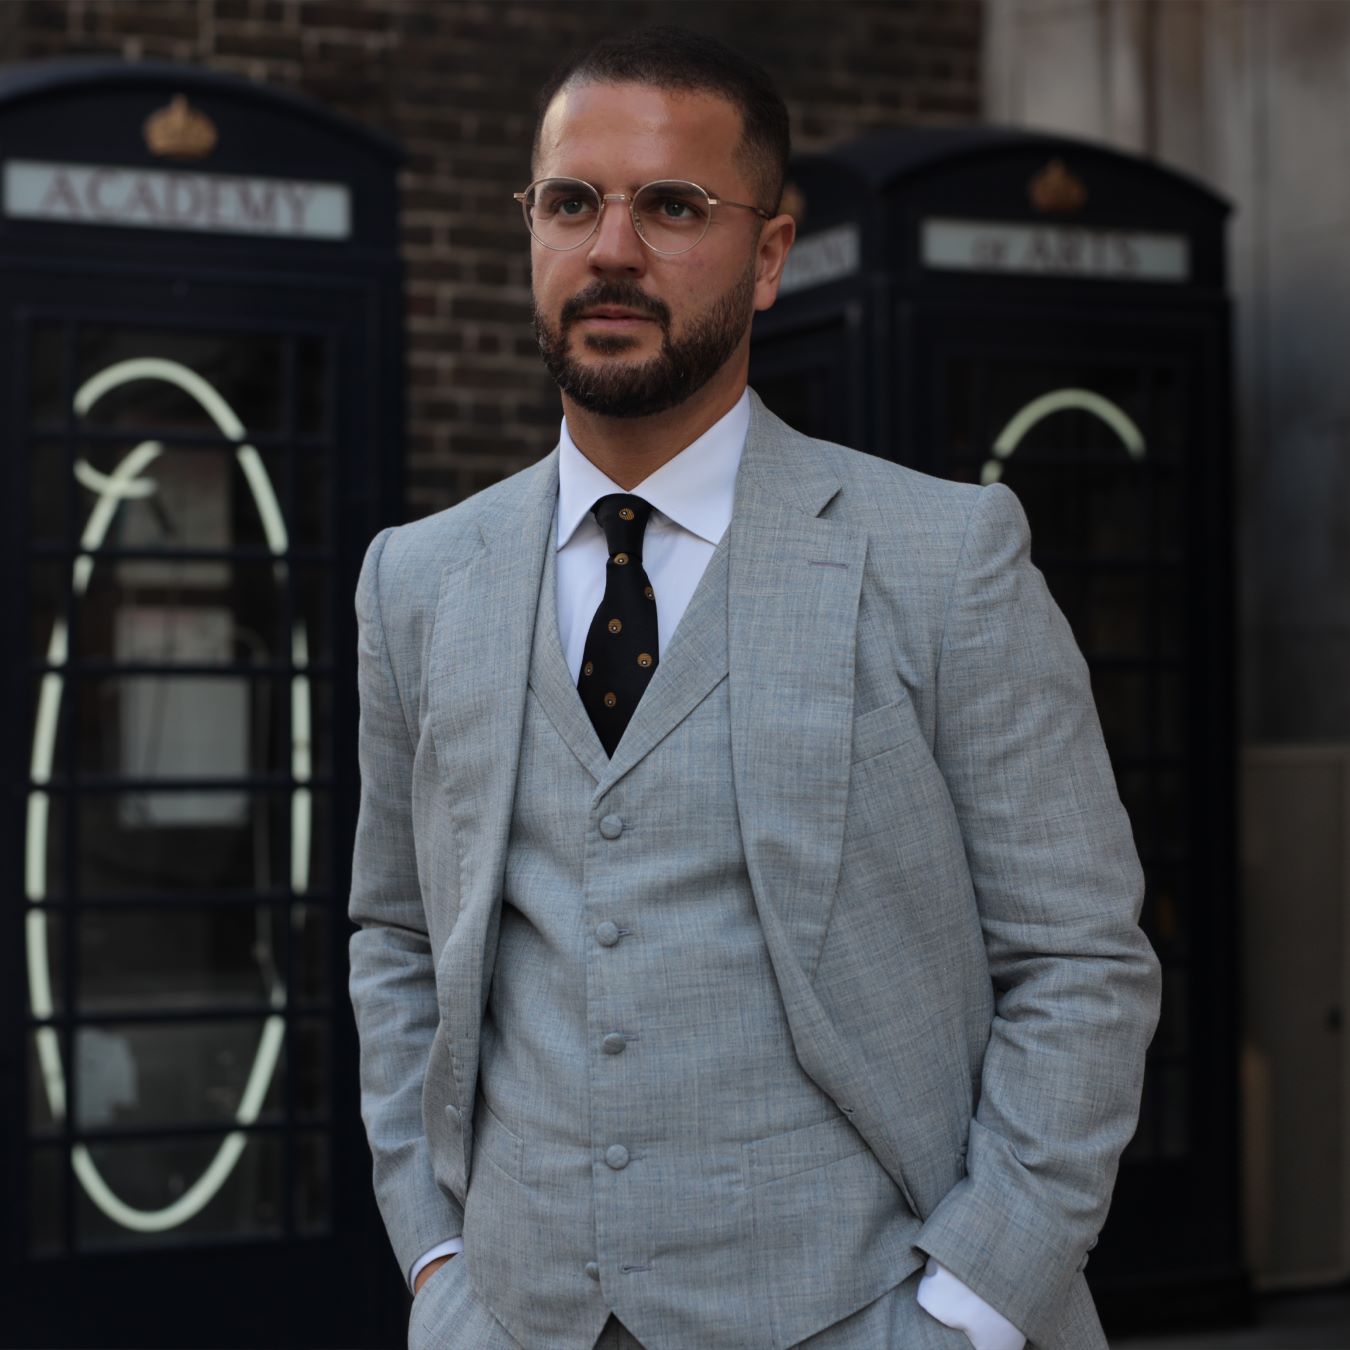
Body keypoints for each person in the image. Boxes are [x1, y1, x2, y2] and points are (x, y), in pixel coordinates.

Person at [349, 26, 1160, 1350]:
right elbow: (391, 934)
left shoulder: (944, 556)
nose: (611, 248)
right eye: (570, 203)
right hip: (514, 1311)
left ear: (769, 255)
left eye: (672, 206)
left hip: (865, 1307)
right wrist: (435, 1254)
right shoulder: (419, 578)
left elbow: (1079, 960)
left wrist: (972, 1302)